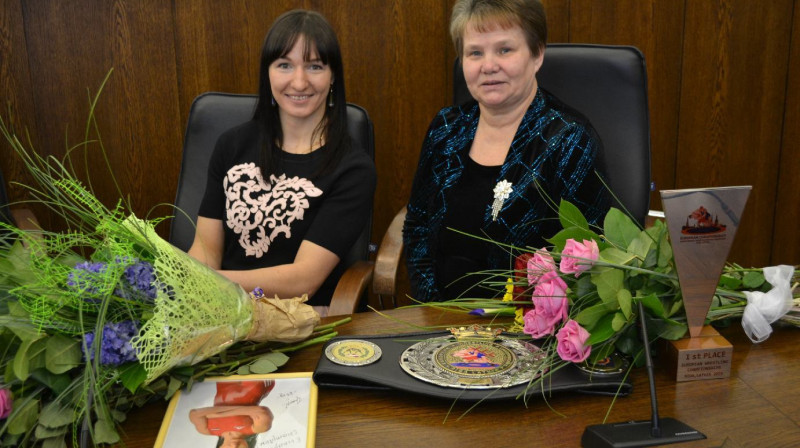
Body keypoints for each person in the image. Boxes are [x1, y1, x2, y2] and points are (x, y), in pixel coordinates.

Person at [403, 0, 612, 302]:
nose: (488, 66)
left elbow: (585, 259)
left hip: (526, 333)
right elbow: (417, 227)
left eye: (504, 50)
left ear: (537, 54)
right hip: (439, 326)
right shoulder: (446, 129)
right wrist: (433, 312)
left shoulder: (569, 141)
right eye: (475, 52)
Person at [189, 10, 376, 314]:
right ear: (268, 73)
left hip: (301, 320)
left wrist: (215, 283)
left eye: (314, 66)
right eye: (285, 65)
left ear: (333, 78)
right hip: (222, 310)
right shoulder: (232, 144)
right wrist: (188, 286)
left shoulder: (354, 170)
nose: (299, 82)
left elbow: (303, 280)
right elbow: (206, 247)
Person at [189, 380, 276, 448]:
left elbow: (194, 413)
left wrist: (244, 410)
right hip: (256, 384)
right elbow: (262, 412)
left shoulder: (206, 430)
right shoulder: (258, 428)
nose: (234, 446)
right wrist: (218, 414)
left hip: (225, 378)